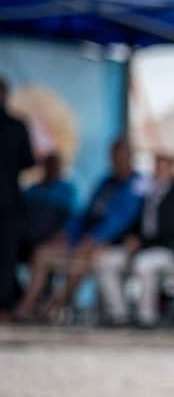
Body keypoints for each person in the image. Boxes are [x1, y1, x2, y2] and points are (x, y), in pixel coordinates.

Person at [16, 138, 144, 322]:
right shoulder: (105, 183)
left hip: (114, 244)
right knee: (42, 254)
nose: (117, 160)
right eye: (114, 155)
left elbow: (121, 220)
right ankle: (27, 306)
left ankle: (51, 307)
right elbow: (85, 214)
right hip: (85, 242)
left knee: (81, 262)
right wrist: (67, 233)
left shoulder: (137, 184)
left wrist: (95, 238)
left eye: (121, 155)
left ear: (130, 156)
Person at [95, 153, 174, 327]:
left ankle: (147, 318)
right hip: (142, 249)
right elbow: (134, 223)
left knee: (144, 264)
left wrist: (142, 244)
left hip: (168, 252)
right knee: (106, 261)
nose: (159, 171)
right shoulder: (147, 192)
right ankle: (119, 315)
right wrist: (129, 239)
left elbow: (171, 232)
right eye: (157, 167)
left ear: (172, 170)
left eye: (164, 167)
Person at [0, 76, 34, 322]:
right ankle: (4, 307)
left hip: (9, 202)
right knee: (6, 256)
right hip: (8, 201)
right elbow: (28, 162)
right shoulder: (17, 125)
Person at [20, 152, 76, 259]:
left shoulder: (66, 190)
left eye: (55, 164)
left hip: (51, 239)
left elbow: (70, 218)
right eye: (49, 164)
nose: (52, 168)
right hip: (26, 237)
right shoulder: (33, 190)